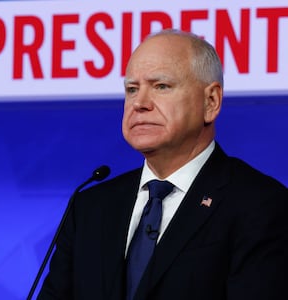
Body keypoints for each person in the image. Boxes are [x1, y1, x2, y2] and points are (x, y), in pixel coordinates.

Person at [37, 29, 288, 300]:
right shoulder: (89, 208)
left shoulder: (261, 205)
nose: (139, 103)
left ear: (211, 101)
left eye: (161, 86)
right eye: (132, 89)